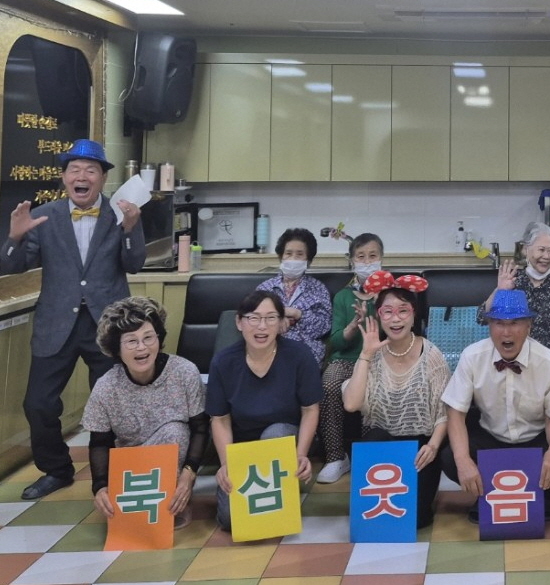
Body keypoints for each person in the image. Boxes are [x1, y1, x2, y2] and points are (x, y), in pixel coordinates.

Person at [0, 139, 145, 500]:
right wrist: (15, 236)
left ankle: (112, 472)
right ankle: (57, 469)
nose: (82, 176)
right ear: (64, 177)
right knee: (38, 404)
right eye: (74, 170)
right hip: (56, 324)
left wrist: (130, 229)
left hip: (108, 326)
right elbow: (14, 266)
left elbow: (135, 264)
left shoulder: (121, 213)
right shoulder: (44, 216)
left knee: (114, 403)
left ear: (102, 178)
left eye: (90, 170)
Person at [442, 289, 550, 522]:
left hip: (535, 438)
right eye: (499, 323)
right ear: (489, 326)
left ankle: (545, 495)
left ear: (529, 326)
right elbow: (455, 411)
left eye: (515, 323)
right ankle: (485, 493)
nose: (506, 332)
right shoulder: (472, 356)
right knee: (450, 458)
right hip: (490, 437)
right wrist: (463, 460)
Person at [82, 297, 207, 530]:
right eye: (131, 341)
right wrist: (100, 487)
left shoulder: (184, 372)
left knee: (175, 431)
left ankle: (177, 498)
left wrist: (189, 474)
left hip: (174, 463)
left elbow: (201, 427)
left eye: (149, 337)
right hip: (130, 468)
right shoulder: (106, 387)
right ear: (116, 349)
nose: (142, 347)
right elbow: (99, 442)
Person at [206, 291, 322, 531]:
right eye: (253, 318)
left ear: (281, 324)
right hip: (243, 449)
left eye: (271, 318)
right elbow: (220, 419)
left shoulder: (299, 355)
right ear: (239, 322)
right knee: (231, 520)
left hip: (287, 439)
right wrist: (226, 464)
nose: (262, 326)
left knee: (274, 434)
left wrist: (301, 454)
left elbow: (310, 409)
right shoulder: (223, 362)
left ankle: (287, 483)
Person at [343, 271, 449, 528]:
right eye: (387, 312)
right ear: (379, 317)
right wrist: (365, 355)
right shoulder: (373, 354)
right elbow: (351, 404)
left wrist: (433, 446)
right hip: (382, 442)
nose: (396, 318)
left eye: (403, 311)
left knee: (416, 520)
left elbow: (444, 412)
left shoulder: (432, 355)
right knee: (382, 520)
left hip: (420, 447)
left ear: (413, 315)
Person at [479, 222, 550, 375]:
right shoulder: (513, 281)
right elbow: (482, 318)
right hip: (517, 361)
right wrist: (499, 290)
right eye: (541, 250)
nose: (546, 256)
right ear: (526, 250)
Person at [316, 233, 384, 484]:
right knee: (329, 385)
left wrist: (381, 306)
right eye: (361, 257)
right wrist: (354, 325)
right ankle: (336, 457)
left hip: (379, 358)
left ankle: (370, 456)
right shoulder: (343, 296)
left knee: (376, 387)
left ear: (382, 259)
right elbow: (336, 342)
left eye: (373, 256)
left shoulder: (391, 293)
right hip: (345, 360)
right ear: (352, 261)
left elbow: (398, 333)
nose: (367, 262)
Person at [255, 228, 332, 365]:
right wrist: (276, 319)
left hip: (307, 354)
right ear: (281, 257)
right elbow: (254, 322)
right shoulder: (265, 288)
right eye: (288, 253)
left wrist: (299, 314)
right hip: (269, 351)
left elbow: (324, 327)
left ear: (308, 260)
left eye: (299, 254)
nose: (293, 259)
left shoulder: (318, 289)